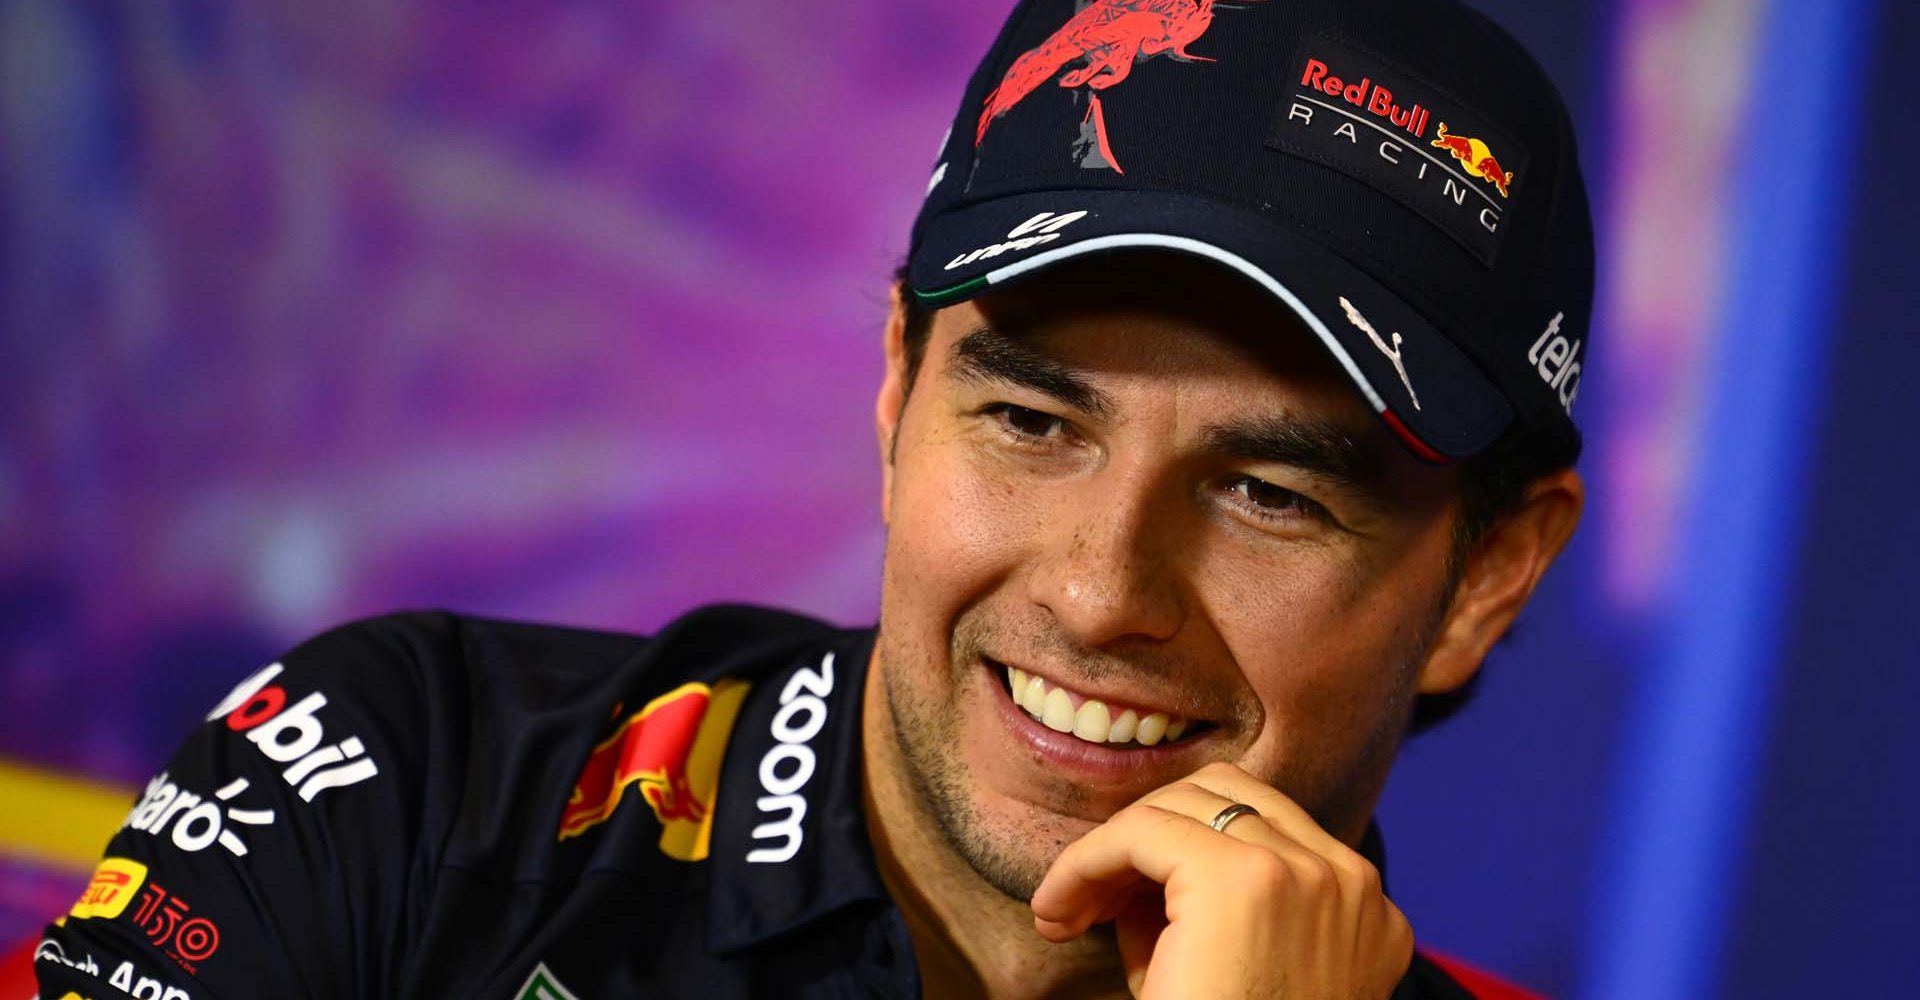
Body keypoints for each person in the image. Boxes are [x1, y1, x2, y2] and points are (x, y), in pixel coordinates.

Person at [32, 0, 1592, 996]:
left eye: (1266, 493)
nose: (1102, 591)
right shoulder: (413, 782)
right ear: (900, 384)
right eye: (1035, 420)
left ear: (1487, 577)